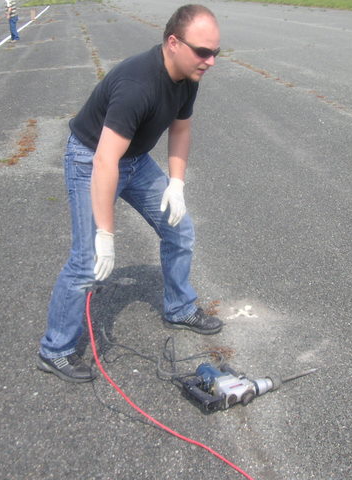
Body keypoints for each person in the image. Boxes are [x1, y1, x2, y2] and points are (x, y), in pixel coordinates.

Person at [37, 4, 223, 383]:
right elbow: (105, 161)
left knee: (180, 230)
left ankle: (179, 307)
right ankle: (55, 349)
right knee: (88, 258)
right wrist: (106, 235)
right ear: (173, 43)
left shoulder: (188, 76)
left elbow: (181, 129)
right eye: (203, 52)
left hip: (135, 161)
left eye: (216, 52)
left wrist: (176, 184)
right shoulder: (138, 85)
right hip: (91, 159)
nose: (210, 61)